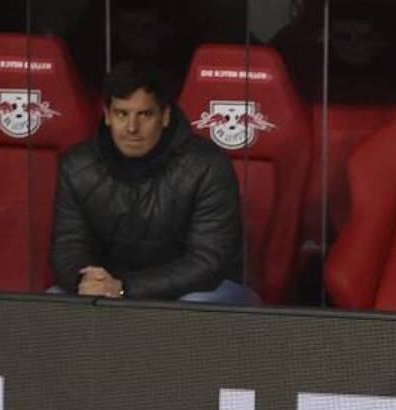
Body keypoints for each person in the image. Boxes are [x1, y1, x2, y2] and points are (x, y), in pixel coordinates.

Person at [50, 60, 255, 304]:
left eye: (145, 114)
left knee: (197, 304)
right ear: (107, 116)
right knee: (55, 299)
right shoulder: (77, 166)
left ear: (165, 116)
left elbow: (207, 262)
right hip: (112, 288)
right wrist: (85, 281)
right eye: (121, 114)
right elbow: (67, 247)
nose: (132, 128)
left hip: (200, 290)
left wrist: (125, 287)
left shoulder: (207, 166)